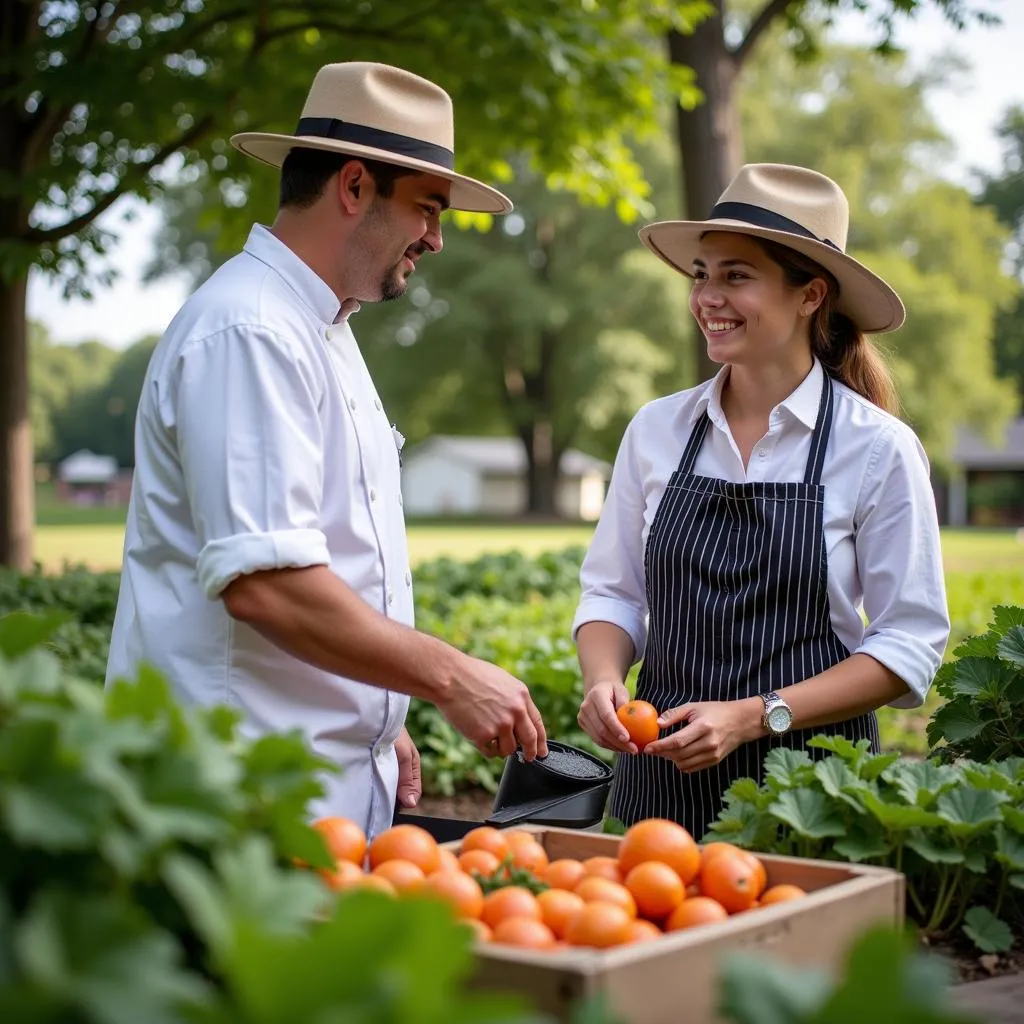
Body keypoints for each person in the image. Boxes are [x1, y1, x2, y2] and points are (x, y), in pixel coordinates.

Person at [105, 62, 548, 839]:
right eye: (428, 209)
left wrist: (379, 715)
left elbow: (328, 550)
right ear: (352, 187)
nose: (437, 240)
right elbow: (267, 584)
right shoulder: (251, 330)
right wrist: (449, 677)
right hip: (242, 799)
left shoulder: (322, 329)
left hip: (316, 790)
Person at [573, 163, 950, 837]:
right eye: (701, 274)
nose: (707, 297)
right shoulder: (657, 431)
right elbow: (613, 592)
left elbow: (908, 645)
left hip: (811, 793)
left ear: (810, 295)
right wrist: (602, 679)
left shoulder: (877, 449)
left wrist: (756, 714)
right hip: (659, 791)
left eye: (736, 276)